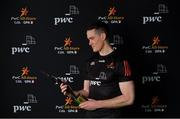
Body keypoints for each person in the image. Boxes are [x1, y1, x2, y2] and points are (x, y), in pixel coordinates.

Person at [60, 21, 135, 118]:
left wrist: (97, 104)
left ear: (103, 36)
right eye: (88, 39)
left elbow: (129, 98)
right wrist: (72, 93)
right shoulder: (89, 62)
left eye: (92, 39)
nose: (89, 43)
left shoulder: (120, 62)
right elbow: (86, 91)